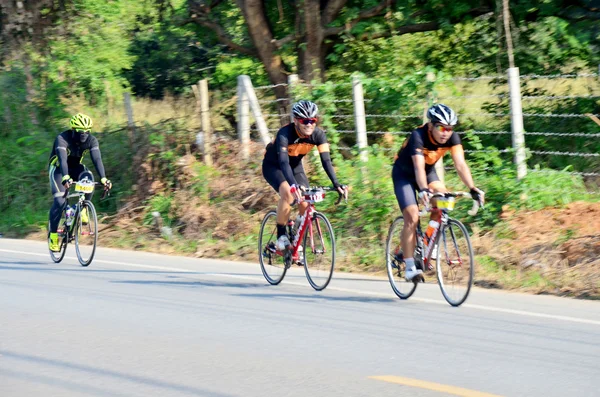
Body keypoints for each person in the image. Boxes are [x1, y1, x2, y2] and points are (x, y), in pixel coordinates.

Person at [392, 104, 484, 281]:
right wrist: (424, 190)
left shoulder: (453, 138)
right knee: (412, 216)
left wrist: (472, 188)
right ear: (431, 125)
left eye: (449, 129)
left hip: (427, 173)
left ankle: (429, 245)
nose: (445, 133)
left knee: (444, 200)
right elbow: (418, 167)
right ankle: (410, 267)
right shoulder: (417, 136)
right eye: (441, 128)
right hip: (404, 174)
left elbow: (460, 165)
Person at [262, 100, 347, 253]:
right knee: (288, 194)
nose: (309, 124)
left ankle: (295, 238)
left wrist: (336, 183)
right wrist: (293, 185)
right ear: (296, 120)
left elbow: (326, 161)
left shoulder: (319, 135)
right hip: (274, 166)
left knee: (305, 202)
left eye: (313, 121)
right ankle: (281, 237)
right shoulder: (284, 134)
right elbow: (283, 162)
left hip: (295, 166)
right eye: (305, 121)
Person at [47, 113, 112, 252]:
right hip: (59, 169)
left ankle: (82, 209)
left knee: (89, 178)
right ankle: (53, 235)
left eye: (87, 131)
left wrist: (104, 178)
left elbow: (97, 160)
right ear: (73, 130)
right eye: (81, 132)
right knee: (59, 201)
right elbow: (62, 160)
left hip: (76, 167)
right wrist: (65, 177)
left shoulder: (92, 140)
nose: (84, 135)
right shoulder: (62, 139)